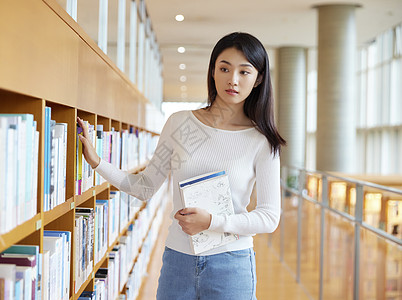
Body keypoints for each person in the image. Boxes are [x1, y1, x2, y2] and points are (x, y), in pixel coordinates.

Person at [77, 31, 285, 300]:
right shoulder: (182, 124)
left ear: (258, 79)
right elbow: (145, 187)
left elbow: (269, 217)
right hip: (178, 261)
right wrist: (97, 163)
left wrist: (212, 222)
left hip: (231, 265)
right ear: (212, 72)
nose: (232, 80)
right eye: (224, 68)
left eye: (244, 72)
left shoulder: (261, 140)